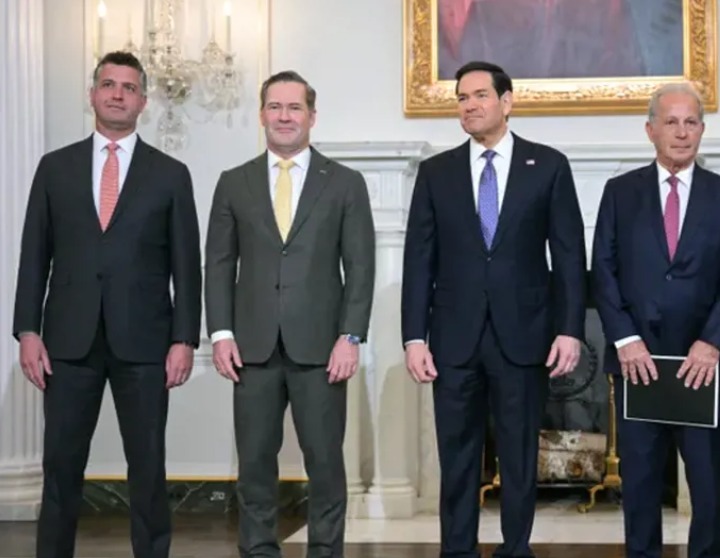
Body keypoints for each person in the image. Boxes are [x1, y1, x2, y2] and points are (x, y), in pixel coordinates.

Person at [12, 50, 201, 558]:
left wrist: (185, 339)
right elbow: (34, 254)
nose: (118, 94)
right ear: (92, 94)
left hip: (145, 344)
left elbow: (187, 266)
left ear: (143, 101)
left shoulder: (171, 174)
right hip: (67, 342)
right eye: (109, 85)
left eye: (129, 88)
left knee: (148, 466)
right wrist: (28, 330)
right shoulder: (55, 168)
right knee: (61, 466)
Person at [400, 60, 586, 557]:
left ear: (507, 102)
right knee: (457, 457)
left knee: (520, 454)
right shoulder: (436, 172)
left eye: (480, 95)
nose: (469, 105)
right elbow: (419, 258)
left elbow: (569, 255)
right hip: (453, 338)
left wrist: (570, 329)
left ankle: (515, 549)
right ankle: (457, 549)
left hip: (524, 335)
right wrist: (414, 337)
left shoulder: (548, 165)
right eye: (462, 98)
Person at [204, 70, 375, 557]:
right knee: (255, 464)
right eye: (275, 107)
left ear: (312, 116)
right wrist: (220, 333)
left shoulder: (345, 183)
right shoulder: (233, 183)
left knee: (325, 464)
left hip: (322, 350)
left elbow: (360, 267)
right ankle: (259, 550)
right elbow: (219, 263)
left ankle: (325, 551)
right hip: (251, 349)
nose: (284, 116)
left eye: (294, 107)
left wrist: (350, 337)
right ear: (262, 114)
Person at [591, 82, 720, 558]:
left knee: (706, 483)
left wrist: (712, 342)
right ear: (650, 130)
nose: (682, 133)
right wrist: (624, 339)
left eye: (691, 122)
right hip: (638, 363)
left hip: (701, 365)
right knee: (640, 482)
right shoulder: (620, 192)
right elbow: (603, 269)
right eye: (671, 122)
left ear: (702, 129)